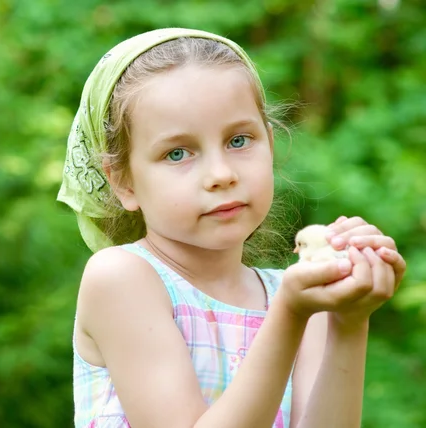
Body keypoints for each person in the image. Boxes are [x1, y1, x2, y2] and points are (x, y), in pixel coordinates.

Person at [57, 28, 406, 428]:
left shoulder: (299, 298)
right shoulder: (121, 278)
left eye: (239, 141)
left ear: (270, 145)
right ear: (123, 182)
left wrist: (348, 321)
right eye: (177, 153)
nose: (221, 174)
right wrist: (290, 315)